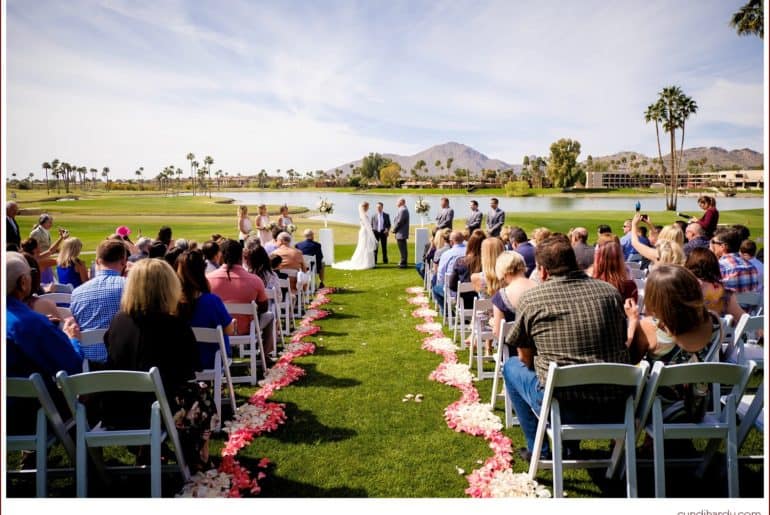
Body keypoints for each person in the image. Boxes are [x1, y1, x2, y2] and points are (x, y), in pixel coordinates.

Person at [502, 235, 631, 460]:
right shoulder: (609, 292)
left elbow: (524, 357)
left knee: (511, 365)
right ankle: (569, 446)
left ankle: (538, 450)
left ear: (542, 271)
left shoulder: (533, 298)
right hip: (614, 401)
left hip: (563, 404)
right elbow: (622, 340)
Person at [104, 258, 215, 471]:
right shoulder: (175, 327)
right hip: (157, 410)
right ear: (169, 287)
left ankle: (148, 449)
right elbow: (191, 369)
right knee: (200, 396)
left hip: (118, 408)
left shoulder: (118, 321)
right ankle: (199, 456)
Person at [625, 265, 722, 422]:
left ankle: (621, 442)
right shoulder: (714, 322)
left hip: (657, 409)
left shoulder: (649, 328)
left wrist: (633, 322)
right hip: (697, 405)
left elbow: (629, 363)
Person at [6, 252, 83, 435]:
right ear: (23, 282)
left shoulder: (30, 322)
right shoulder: (30, 323)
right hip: (27, 416)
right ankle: (88, 461)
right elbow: (72, 368)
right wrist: (72, 338)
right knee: (88, 398)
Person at [208, 239, 275, 357]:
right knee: (270, 315)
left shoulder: (208, 279)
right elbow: (264, 308)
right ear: (241, 256)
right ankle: (265, 354)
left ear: (221, 256)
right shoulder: (255, 280)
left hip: (218, 329)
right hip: (247, 329)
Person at [71, 239, 129, 363]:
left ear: (97, 261)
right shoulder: (129, 287)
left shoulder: (77, 293)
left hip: (88, 365)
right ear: (124, 262)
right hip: (123, 364)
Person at [176, 249, 235, 369]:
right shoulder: (212, 301)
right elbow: (229, 331)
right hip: (212, 359)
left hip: (183, 362)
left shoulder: (172, 302)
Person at [685, 248, 745, 322]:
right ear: (715, 265)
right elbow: (742, 318)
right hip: (716, 331)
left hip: (689, 331)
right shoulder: (725, 293)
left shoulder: (685, 287)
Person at [491, 251, 537, 339]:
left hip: (512, 350)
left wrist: (493, 323)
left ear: (502, 271)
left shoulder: (500, 296)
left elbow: (498, 333)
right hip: (539, 345)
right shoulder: (539, 285)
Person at [710, 227, 758, 293]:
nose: (712, 244)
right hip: (750, 303)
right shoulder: (752, 267)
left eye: (713, 242)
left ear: (723, 246)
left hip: (727, 302)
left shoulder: (720, 266)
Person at [333, 202, 377, 270]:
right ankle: (365, 262)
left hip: (364, 232)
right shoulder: (364, 215)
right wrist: (372, 231)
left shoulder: (363, 215)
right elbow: (367, 225)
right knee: (364, 246)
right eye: (368, 207)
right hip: (365, 232)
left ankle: (367, 262)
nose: (368, 208)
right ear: (365, 207)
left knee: (364, 246)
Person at [448, 229, 485, 309]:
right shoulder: (488, 264)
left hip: (464, 303)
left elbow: (452, 285)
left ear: (470, 244)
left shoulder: (460, 262)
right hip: (484, 305)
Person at [431, 231, 466, 314]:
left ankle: (446, 313)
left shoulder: (447, 254)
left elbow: (441, 275)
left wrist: (441, 285)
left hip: (452, 291)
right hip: (469, 291)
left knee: (436, 288)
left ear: (451, 242)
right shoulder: (470, 252)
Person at [29, 213, 67, 284]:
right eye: (49, 222)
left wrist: (57, 250)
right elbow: (33, 249)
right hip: (40, 261)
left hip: (46, 259)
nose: (51, 224)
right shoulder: (36, 233)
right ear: (43, 222)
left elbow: (48, 247)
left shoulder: (46, 231)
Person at [392, 197, 410, 269]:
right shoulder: (403, 209)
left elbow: (399, 222)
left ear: (402, 202)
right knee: (402, 248)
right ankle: (403, 261)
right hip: (401, 232)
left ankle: (403, 263)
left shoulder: (403, 210)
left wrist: (394, 229)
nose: (396, 203)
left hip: (401, 232)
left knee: (402, 248)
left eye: (397, 201)